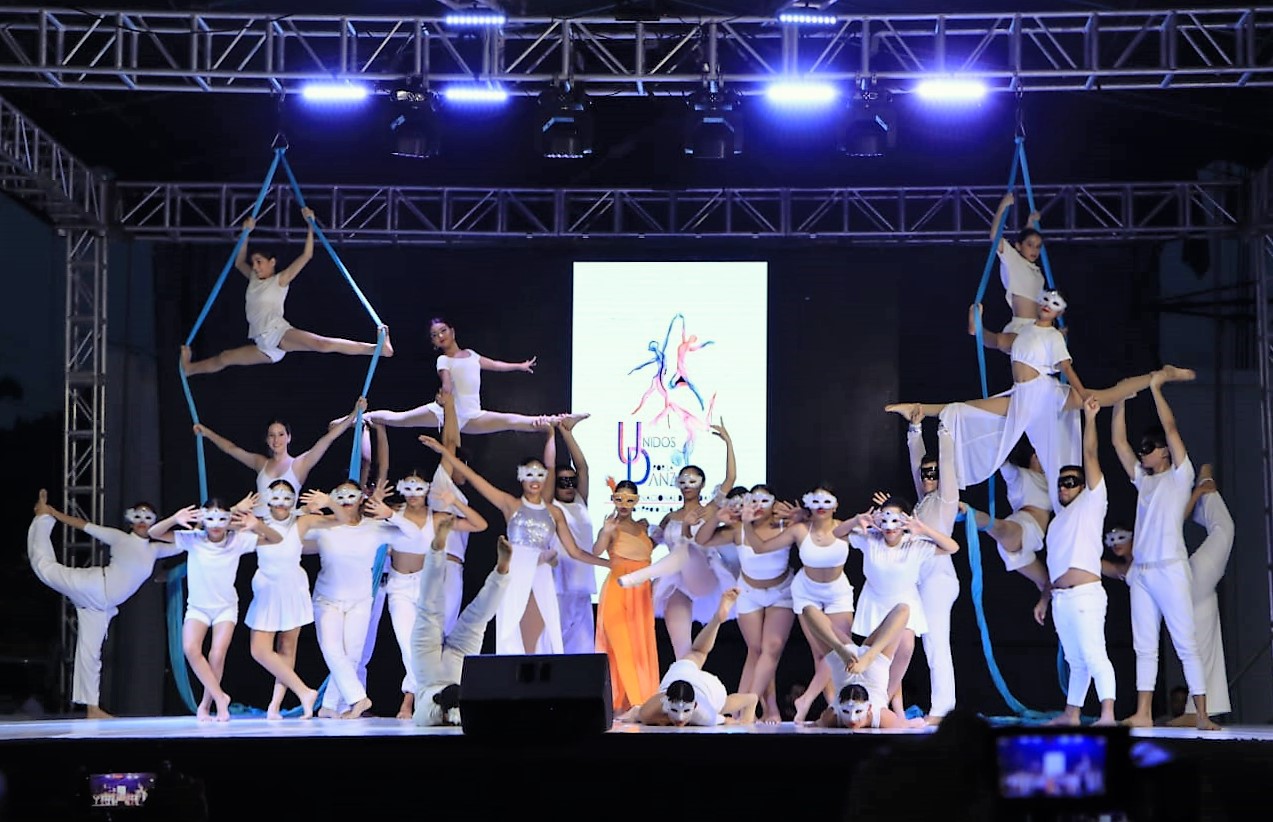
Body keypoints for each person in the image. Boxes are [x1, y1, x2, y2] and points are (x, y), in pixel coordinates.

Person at [888, 291, 1195, 501]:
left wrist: (1081, 394)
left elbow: (1067, 369)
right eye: (1045, 301)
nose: (1047, 305)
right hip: (1023, 397)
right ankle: (916, 409)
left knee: (1106, 397)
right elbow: (987, 339)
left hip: (1046, 395)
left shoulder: (1052, 337)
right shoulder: (1019, 335)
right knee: (965, 410)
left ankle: (1161, 375)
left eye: (1054, 303)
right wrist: (976, 321)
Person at [418, 434, 609, 655]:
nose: (535, 480)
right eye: (529, 474)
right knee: (513, 631)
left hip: (542, 575)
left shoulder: (554, 512)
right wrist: (444, 452)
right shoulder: (511, 504)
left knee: (542, 635)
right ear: (521, 478)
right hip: (517, 570)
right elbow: (475, 478)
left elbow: (575, 551)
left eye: (539, 474)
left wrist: (607, 563)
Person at [1111, 375, 1219, 730]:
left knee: (1185, 642)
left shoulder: (1179, 476)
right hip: (1142, 571)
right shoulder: (1144, 481)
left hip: (1171, 569)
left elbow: (1171, 428)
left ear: (1164, 453)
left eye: (1149, 448)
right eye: (1143, 449)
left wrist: (1156, 390)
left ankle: (1202, 714)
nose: (1143, 453)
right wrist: (1121, 400)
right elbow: (1118, 443)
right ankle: (1142, 712)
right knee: (1145, 646)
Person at [28, 491, 186, 718]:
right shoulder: (119, 537)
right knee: (46, 570)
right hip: (93, 586)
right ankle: (42, 517)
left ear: (155, 522)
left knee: (90, 654)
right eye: (138, 517)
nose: (142, 522)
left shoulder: (154, 550)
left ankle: (92, 708)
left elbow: (186, 543)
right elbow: (83, 525)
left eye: (148, 518)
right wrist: (53, 512)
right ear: (130, 519)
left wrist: (225, 529)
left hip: (100, 607)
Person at [180, 210, 391, 375]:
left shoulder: (279, 280)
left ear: (272, 263)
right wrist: (246, 233)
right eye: (253, 262)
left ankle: (376, 349)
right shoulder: (254, 279)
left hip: (277, 334)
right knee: (224, 358)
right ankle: (189, 369)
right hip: (265, 346)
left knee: (322, 344)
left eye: (259, 262)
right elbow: (238, 262)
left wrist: (311, 225)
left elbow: (306, 255)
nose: (255, 266)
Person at [1101, 464, 1234, 724]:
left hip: (1188, 578)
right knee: (1202, 636)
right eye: (1111, 541)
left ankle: (1205, 483)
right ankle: (1195, 712)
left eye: (1122, 537)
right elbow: (1100, 566)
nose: (1117, 544)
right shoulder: (1130, 569)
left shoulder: (1149, 541)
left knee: (1224, 529)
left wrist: (1197, 493)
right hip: (1185, 596)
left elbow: (1174, 520)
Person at [149, 494, 283, 722]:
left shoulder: (237, 540)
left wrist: (258, 525)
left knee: (217, 655)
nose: (216, 526)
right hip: (198, 608)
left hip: (225, 608)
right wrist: (174, 518)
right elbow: (153, 533)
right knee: (191, 649)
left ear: (228, 519)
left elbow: (276, 539)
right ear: (203, 519)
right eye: (210, 519)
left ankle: (206, 704)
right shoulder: (193, 539)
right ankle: (221, 697)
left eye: (222, 519)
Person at [300, 480, 423, 719]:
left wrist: (391, 515)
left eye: (351, 495)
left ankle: (328, 705)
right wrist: (304, 512)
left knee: (352, 656)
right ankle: (358, 698)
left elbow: (415, 537)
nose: (346, 501)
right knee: (332, 649)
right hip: (327, 599)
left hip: (360, 600)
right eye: (340, 496)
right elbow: (290, 536)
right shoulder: (324, 525)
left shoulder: (373, 527)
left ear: (361, 499)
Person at [616, 422, 736, 661]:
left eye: (692, 481)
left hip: (703, 574)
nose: (687, 486)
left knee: (686, 549)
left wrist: (728, 441)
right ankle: (685, 683)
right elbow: (649, 544)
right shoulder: (670, 516)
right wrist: (629, 526)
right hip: (677, 581)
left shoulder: (709, 509)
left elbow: (730, 478)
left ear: (701, 484)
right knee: (682, 649)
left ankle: (641, 578)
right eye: (683, 481)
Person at [1032, 397, 1118, 727]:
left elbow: (1091, 455)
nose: (1066, 487)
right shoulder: (1056, 524)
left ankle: (1108, 715)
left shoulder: (1092, 503)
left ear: (1083, 486)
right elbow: (1054, 570)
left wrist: (1091, 418)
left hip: (1085, 595)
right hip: (1063, 598)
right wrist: (1045, 597)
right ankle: (1072, 713)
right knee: (1075, 660)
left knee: (1095, 655)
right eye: (1061, 482)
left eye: (1072, 481)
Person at [739, 485, 855, 723]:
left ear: (835, 505)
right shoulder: (800, 529)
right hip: (806, 593)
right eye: (816, 501)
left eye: (827, 502)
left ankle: (815, 701)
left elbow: (878, 538)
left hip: (837, 593)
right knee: (821, 655)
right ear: (808, 503)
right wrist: (746, 524)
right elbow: (760, 547)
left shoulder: (844, 528)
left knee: (842, 651)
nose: (821, 507)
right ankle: (829, 706)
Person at [845, 499, 961, 719]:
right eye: (885, 518)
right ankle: (884, 704)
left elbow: (952, 547)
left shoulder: (915, 543)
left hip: (905, 602)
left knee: (905, 647)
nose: (890, 526)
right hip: (876, 602)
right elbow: (836, 534)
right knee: (882, 657)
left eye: (896, 520)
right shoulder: (870, 539)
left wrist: (922, 529)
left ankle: (882, 701)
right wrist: (858, 520)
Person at [365, 317, 571, 434]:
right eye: (435, 336)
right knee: (399, 419)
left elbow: (496, 365)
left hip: (472, 415)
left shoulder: (472, 355)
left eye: (443, 331)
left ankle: (558, 420)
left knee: (511, 421)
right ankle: (365, 416)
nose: (440, 336)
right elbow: (446, 381)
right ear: (434, 344)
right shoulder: (443, 360)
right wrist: (445, 397)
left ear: (452, 331)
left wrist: (519, 365)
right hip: (445, 412)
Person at [698, 485, 793, 724]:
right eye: (754, 500)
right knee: (756, 650)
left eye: (765, 500)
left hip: (780, 592)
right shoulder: (738, 529)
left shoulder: (785, 524)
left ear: (775, 503)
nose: (759, 505)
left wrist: (799, 515)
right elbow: (702, 539)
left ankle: (759, 706)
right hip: (749, 592)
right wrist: (716, 517)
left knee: (771, 647)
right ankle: (748, 708)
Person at [412, 522, 514, 727]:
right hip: (435, 673)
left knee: (476, 619)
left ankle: (501, 571)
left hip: (448, 678)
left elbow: (426, 716)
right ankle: (438, 550)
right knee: (432, 608)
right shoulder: (433, 714)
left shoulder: (431, 714)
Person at [192, 398, 365, 515]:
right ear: (267, 440)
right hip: (257, 526)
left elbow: (328, 439)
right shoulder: (261, 463)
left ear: (289, 437)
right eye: (272, 435)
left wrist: (354, 414)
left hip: (285, 526)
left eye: (281, 434)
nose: (276, 440)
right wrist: (206, 433)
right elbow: (231, 448)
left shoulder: (300, 464)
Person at [899, 408, 961, 721]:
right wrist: (915, 428)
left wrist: (944, 430)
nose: (929, 478)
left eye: (934, 474)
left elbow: (945, 466)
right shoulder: (923, 503)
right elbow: (917, 465)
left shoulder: (947, 499)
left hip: (939, 575)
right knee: (925, 644)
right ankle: (937, 706)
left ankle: (943, 709)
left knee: (937, 644)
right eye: (926, 474)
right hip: (921, 576)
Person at [625, 589, 759, 726]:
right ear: (665, 703)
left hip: (705, 688)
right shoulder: (649, 712)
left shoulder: (706, 715)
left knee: (722, 706)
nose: (680, 718)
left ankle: (751, 699)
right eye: (674, 710)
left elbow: (730, 721)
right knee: (698, 652)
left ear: (695, 706)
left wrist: (745, 723)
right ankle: (716, 620)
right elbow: (636, 713)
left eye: (686, 711)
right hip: (679, 676)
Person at [245, 479, 320, 719]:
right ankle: (305, 691)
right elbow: (224, 526)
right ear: (268, 499)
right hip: (267, 589)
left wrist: (327, 502)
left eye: (286, 498)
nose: (281, 503)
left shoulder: (301, 521)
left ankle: (275, 705)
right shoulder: (257, 522)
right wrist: (238, 508)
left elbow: (339, 521)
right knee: (259, 650)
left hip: (293, 587)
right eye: (275, 497)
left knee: (287, 646)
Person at [804, 602, 928, 730]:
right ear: (870, 708)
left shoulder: (832, 717)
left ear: (868, 708)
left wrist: (840, 650)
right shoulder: (882, 717)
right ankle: (869, 654)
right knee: (902, 610)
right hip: (873, 670)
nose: (852, 719)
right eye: (847, 712)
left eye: (857, 711)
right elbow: (906, 724)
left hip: (845, 664)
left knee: (808, 610)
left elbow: (808, 611)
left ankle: (860, 653)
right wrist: (913, 723)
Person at [593, 481, 659, 713]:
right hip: (618, 589)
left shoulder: (642, 526)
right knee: (620, 644)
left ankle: (641, 701)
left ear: (636, 501)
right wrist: (606, 532)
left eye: (629, 499)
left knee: (640, 645)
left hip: (641, 592)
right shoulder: (611, 527)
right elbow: (596, 551)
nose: (623, 504)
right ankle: (631, 702)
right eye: (619, 498)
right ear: (613, 499)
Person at [968, 438, 1053, 593]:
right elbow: (1005, 466)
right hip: (1023, 527)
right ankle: (969, 513)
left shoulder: (1050, 481)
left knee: (1048, 584)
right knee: (999, 527)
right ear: (1034, 457)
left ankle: (1048, 610)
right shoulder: (1020, 476)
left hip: (1030, 540)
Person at [546, 415, 598, 654]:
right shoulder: (550, 507)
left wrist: (567, 433)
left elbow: (584, 468)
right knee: (555, 645)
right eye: (562, 482)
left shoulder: (580, 502)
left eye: (571, 481)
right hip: (559, 583)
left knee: (583, 649)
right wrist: (551, 435)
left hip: (582, 584)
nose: (568, 486)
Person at [979, 193, 1044, 355]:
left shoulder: (1037, 271)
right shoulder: (1013, 259)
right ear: (1018, 246)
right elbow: (994, 237)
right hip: (1022, 324)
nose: (1034, 250)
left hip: (1038, 326)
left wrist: (1030, 223)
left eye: (1038, 246)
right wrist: (1002, 206)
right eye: (1030, 245)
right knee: (1003, 341)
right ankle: (979, 331)